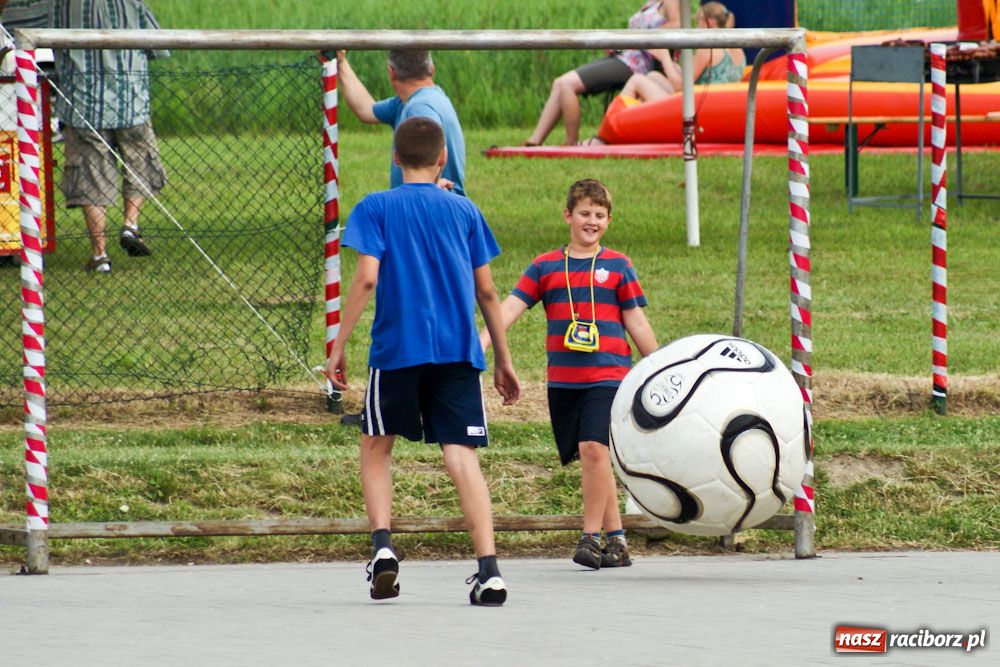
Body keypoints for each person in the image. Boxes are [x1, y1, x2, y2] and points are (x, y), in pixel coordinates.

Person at [326, 116, 520, 605]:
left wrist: (339, 343)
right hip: (457, 350)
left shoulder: (376, 207)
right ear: (442, 160)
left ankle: (384, 549)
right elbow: (488, 290)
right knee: (460, 456)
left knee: (376, 447)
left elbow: (367, 279)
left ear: (394, 158)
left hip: (397, 350)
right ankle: (490, 570)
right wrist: (502, 356)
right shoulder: (464, 210)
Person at [481, 179, 658, 569]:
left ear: (608, 221)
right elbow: (509, 308)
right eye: (584, 213)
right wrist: (481, 344)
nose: (591, 221)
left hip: (609, 376)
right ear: (568, 216)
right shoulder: (545, 266)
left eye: (599, 215)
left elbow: (637, 322)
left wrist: (661, 364)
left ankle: (590, 538)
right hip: (564, 381)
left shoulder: (618, 266)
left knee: (594, 448)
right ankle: (617, 542)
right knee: (593, 458)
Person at [0, 0, 168, 274]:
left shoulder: (58, 6)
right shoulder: (132, 3)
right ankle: (131, 224)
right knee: (140, 162)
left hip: (85, 103)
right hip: (132, 99)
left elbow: (11, 22)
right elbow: (155, 44)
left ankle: (100, 254)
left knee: (90, 176)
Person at [524, 0, 680, 147]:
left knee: (567, 84)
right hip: (623, 56)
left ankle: (571, 143)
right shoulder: (651, 2)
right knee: (559, 83)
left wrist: (645, 37)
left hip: (636, 65)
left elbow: (677, 24)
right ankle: (534, 141)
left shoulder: (670, 1)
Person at [336, 49, 466, 196]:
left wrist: (434, 186)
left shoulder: (419, 108)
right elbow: (366, 110)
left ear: (391, 73)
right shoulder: (410, 101)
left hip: (427, 209)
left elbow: (434, 156)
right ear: (431, 70)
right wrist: (341, 63)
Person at [619, 2, 746, 103]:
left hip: (698, 107)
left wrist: (665, 58)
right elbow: (696, 79)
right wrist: (673, 64)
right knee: (653, 76)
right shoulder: (737, 49)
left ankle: (615, 129)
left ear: (705, 22)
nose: (697, 27)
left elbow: (681, 86)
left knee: (637, 80)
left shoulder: (708, 49)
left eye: (698, 23)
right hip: (717, 104)